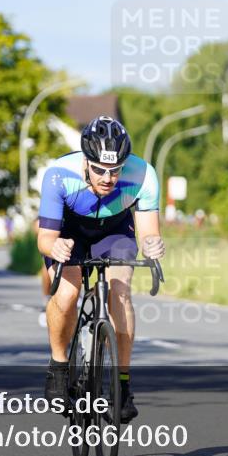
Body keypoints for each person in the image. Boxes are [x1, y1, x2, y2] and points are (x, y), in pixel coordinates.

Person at [37, 115, 165, 423]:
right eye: (99, 170)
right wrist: (54, 248)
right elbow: (45, 237)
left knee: (119, 293)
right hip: (69, 232)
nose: (108, 178)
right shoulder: (58, 174)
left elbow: (148, 231)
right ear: (86, 161)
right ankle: (58, 367)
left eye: (115, 170)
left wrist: (152, 245)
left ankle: (122, 386)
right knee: (68, 294)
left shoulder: (144, 175)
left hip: (115, 231)